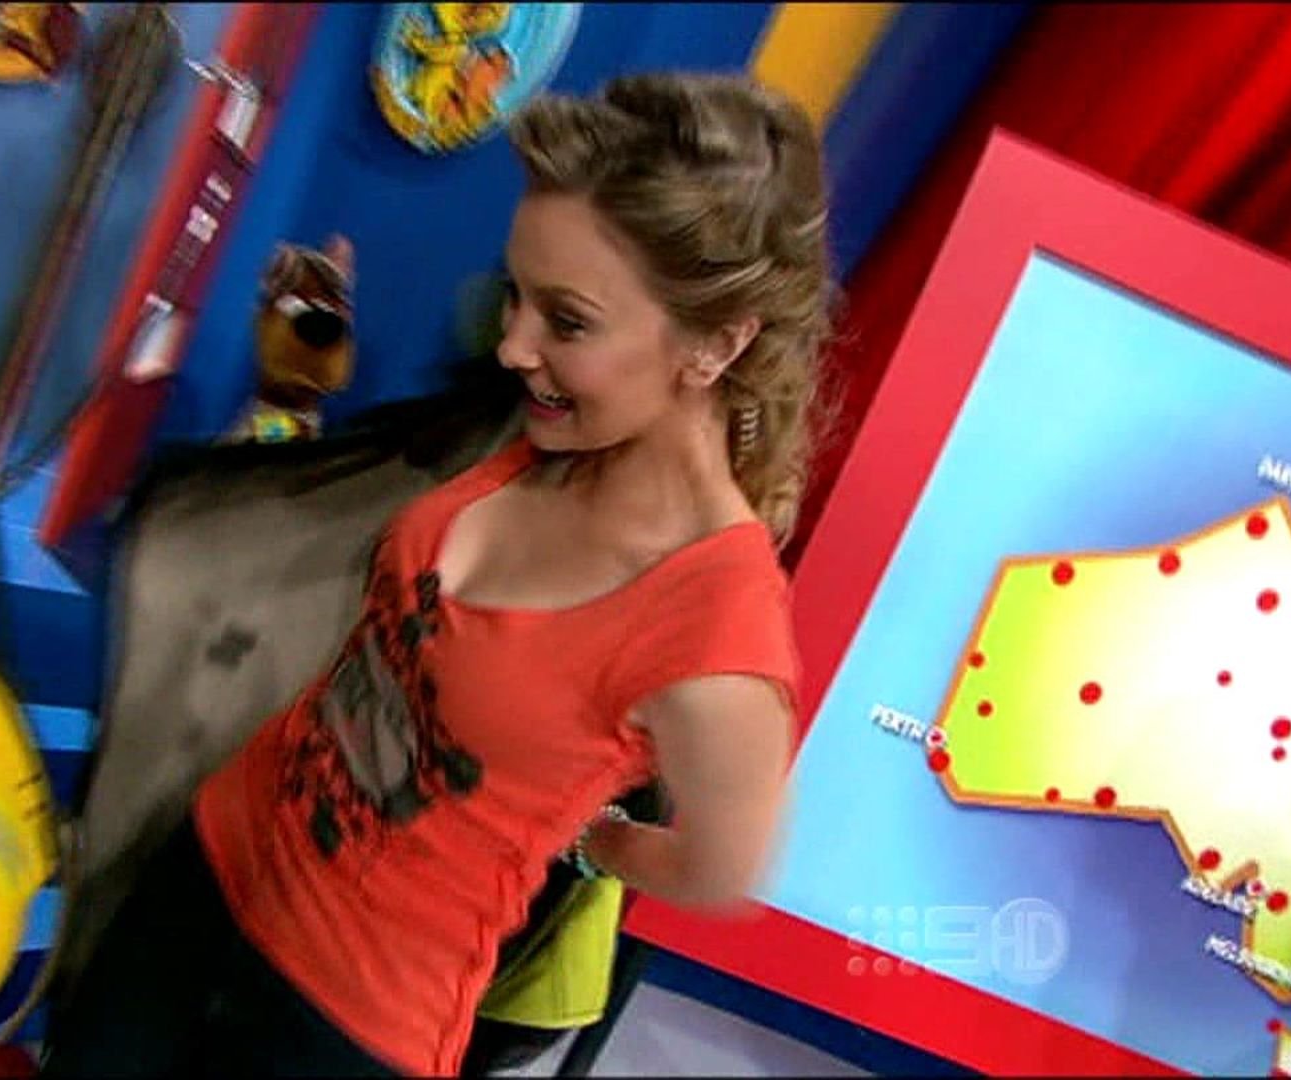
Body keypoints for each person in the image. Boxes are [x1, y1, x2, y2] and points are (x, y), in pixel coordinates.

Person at [43, 71, 835, 1078]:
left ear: (715, 345)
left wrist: (586, 839)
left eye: (568, 321)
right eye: (517, 297)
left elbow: (724, 871)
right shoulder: (542, 429)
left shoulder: (717, 642)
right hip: (207, 869)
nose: (513, 346)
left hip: (340, 1028)